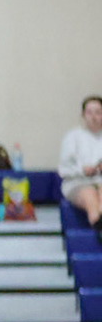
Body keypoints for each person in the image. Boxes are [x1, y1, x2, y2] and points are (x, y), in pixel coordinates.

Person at [58, 96, 102, 234]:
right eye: (90, 112)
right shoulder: (73, 136)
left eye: (98, 112)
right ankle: (97, 226)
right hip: (76, 182)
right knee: (90, 195)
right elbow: (63, 169)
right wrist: (83, 171)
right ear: (83, 115)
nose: (94, 117)